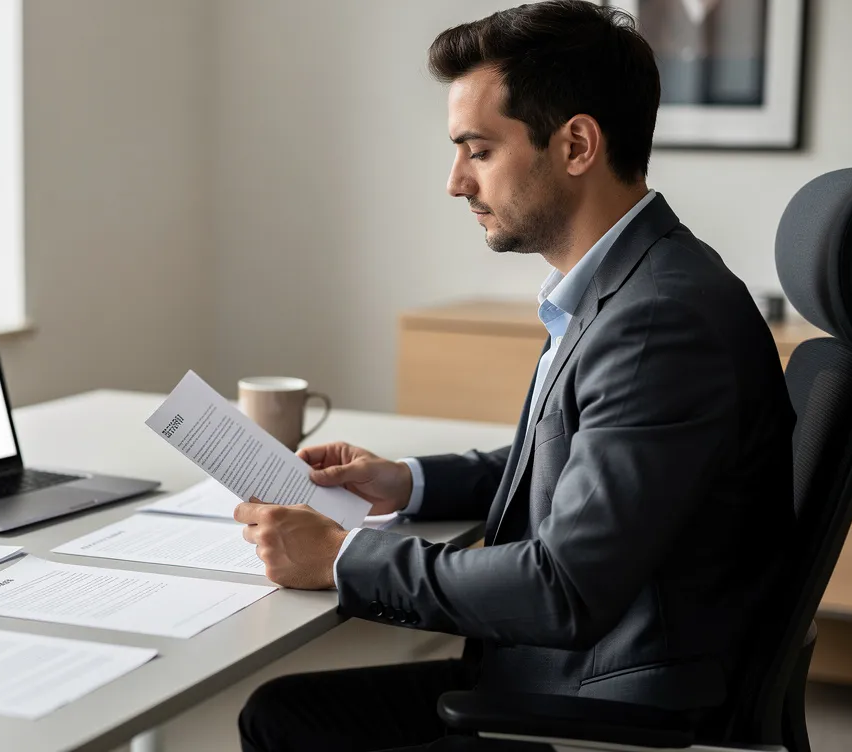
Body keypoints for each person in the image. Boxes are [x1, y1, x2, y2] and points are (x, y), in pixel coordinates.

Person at [233, 2, 796, 751]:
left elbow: (562, 588)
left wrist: (343, 557)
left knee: (284, 722)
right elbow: (583, 462)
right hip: (590, 666)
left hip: (612, 704)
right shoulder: (634, 283)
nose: (455, 181)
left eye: (478, 150)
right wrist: (407, 482)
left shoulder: (659, 319)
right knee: (283, 713)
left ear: (576, 145)